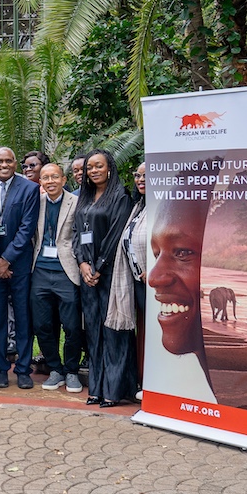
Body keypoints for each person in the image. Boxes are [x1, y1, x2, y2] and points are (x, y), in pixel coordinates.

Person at [0, 146, 40, 390]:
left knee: (23, 317)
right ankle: (1, 368)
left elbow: (27, 228)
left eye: (8, 161)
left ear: (15, 164)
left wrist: (7, 259)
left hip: (19, 265)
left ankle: (23, 369)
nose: (4, 165)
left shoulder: (30, 189)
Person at [73, 149, 134, 407]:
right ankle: (96, 388)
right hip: (88, 275)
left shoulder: (120, 196)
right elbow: (77, 231)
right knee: (94, 333)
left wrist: (97, 266)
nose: (93, 171)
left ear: (109, 167)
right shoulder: (85, 197)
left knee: (113, 331)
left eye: (98, 166)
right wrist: (82, 263)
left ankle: (114, 389)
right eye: (89, 168)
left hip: (110, 274)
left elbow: (115, 234)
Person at [31, 163, 84, 394]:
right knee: (41, 324)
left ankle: (71, 370)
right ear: (40, 182)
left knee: (72, 326)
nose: (50, 181)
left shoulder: (76, 202)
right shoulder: (36, 203)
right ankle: (55, 368)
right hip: (40, 270)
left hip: (66, 271)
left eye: (54, 176)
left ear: (64, 179)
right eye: (45, 177)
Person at [108, 162, 147, 394]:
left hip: (155, 282)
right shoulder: (138, 206)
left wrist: (156, 268)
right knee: (143, 332)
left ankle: (156, 384)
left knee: (154, 333)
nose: (140, 179)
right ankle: (144, 380)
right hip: (135, 280)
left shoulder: (164, 207)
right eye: (137, 175)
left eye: (146, 175)